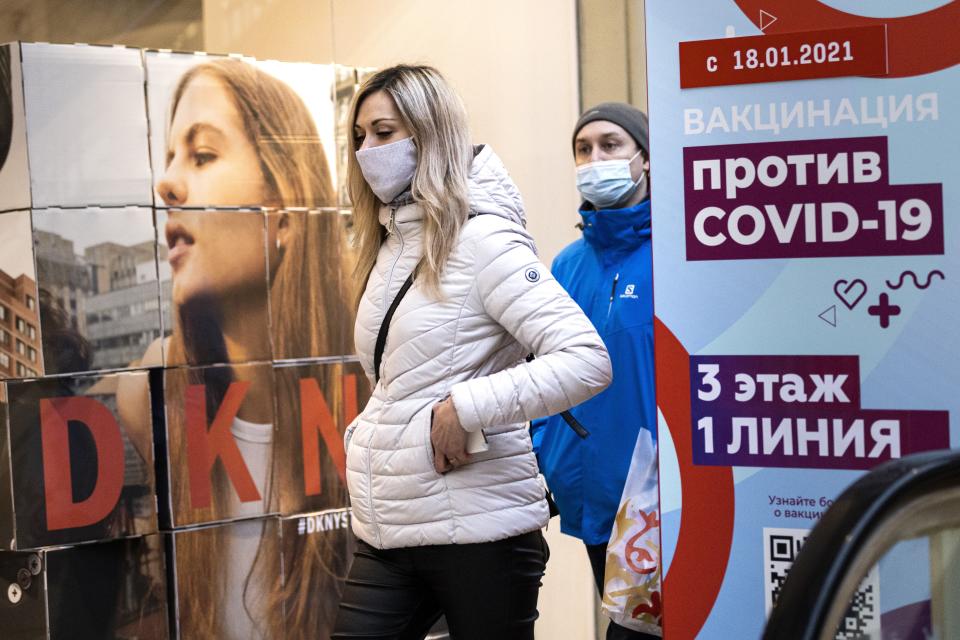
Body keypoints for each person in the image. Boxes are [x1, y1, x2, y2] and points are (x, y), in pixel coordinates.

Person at [331, 65, 613, 640]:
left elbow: (586, 358)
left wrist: (467, 407)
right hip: (389, 528)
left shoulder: (483, 241)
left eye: (384, 133)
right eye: (360, 137)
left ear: (430, 134)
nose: (367, 151)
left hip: (483, 534)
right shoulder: (390, 246)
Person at [117, 57, 353, 639]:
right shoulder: (150, 394)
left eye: (202, 155)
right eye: (170, 158)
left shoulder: (367, 379)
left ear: (284, 213)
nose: (167, 183)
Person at [531, 102, 659, 639]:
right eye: (583, 149)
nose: (594, 158)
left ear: (645, 159)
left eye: (611, 145)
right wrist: (548, 451)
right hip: (589, 489)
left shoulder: (676, 256)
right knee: (622, 624)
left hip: (658, 498)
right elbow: (542, 368)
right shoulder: (564, 266)